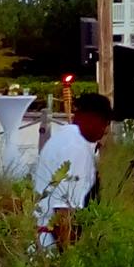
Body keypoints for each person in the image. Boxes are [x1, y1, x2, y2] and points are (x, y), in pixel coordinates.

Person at [33, 92, 112, 249]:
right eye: (105, 123)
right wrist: (71, 259)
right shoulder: (76, 149)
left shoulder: (67, 138)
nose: (106, 130)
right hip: (52, 247)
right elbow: (64, 213)